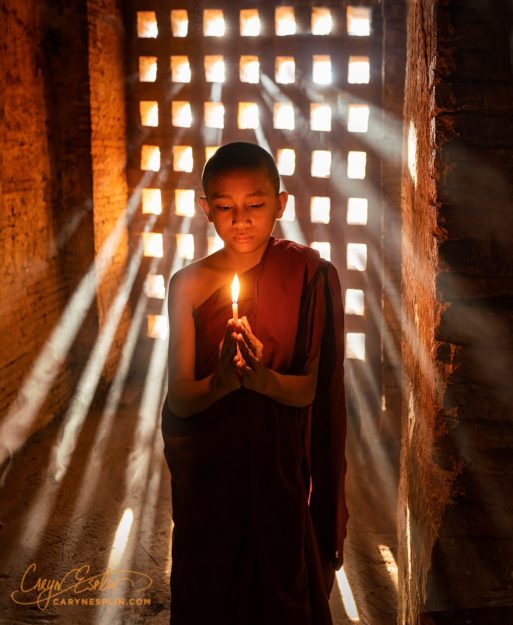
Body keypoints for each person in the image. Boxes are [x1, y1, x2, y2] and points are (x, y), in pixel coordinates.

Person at [161, 141, 348, 625]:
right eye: (224, 207)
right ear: (205, 210)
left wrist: (260, 379)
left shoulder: (307, 276)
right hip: (211, 468)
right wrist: (224, 383)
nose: (240, 220)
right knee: (211, 584)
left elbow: (308, 390)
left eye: (256, 206)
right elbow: (180, 397)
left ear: (280, 205)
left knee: (279, 588)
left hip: (276, 468)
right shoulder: (187, 284)